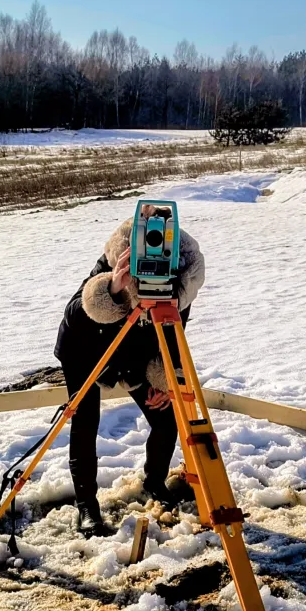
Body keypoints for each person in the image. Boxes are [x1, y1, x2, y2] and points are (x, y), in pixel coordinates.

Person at [54, 212, 205, 537]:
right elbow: (73, 317)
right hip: (86, 349)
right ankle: (86, 507)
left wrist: (163, 379)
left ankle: (154, 481)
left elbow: (173, 337)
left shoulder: (177, 282)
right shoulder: (115, 264)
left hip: (134, 353)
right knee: (85, 420)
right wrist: (111, 288)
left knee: (167, 418)